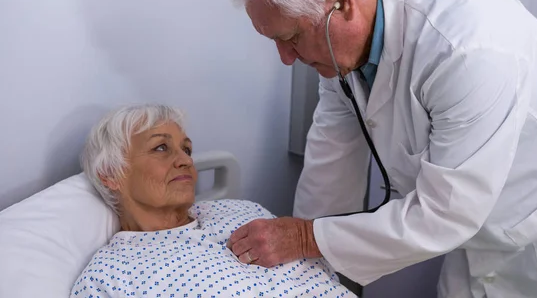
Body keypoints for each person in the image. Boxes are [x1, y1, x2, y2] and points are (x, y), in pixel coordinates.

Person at [227, 0, 537, 298]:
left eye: (290, 38)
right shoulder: (339, 49)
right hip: (477, 235)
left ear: (340, 3)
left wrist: (307, 239)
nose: (286, 58)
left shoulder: (469, 48)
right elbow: (330, 164)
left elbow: (444, 215)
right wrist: (300, 272)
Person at [70, 103, 355, 298]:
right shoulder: (109, 277)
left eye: (186, 149)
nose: (184, 160)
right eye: (161, 148)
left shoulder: (244, 210)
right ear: (111, 173)